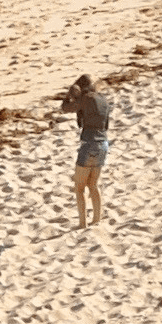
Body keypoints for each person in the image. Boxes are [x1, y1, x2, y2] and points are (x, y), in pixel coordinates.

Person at [59, 74, 113, 228]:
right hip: (103, 144)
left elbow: (65, 108)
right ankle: (97, 219)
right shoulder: (104, 100)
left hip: (89, 143)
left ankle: (82, 224)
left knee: (79, 187)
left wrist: (69, 94)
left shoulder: (85, 99)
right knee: (93, 184)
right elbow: (106, 126)